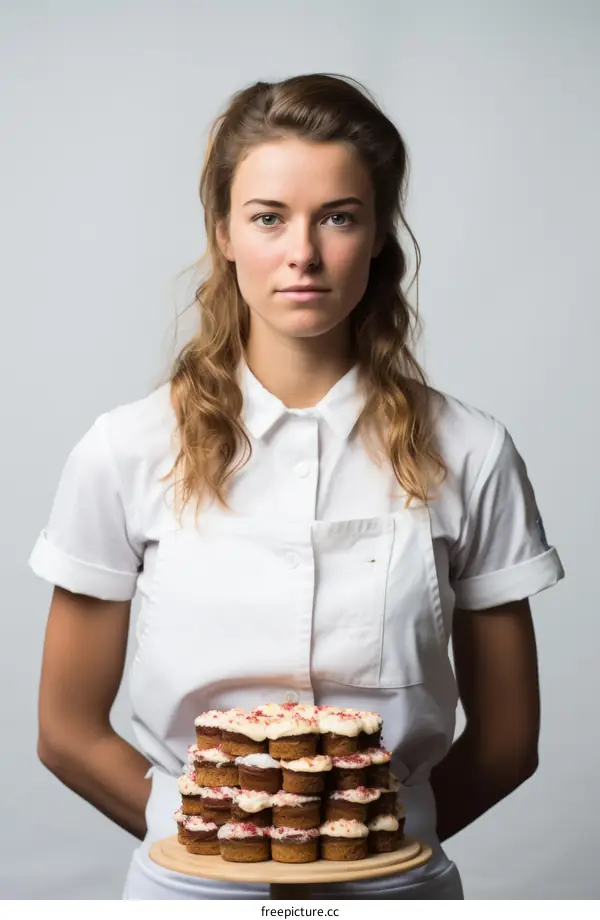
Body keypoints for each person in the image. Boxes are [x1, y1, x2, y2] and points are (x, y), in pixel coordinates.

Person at [29, 72, 565, 900]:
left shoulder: (472, 452)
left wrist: (375, 845)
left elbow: (507, 742)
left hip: (398, 894)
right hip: (190, 898)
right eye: (269, 217)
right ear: (224, 232)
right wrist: (208, 836)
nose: (303, 253)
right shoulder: (125, 450)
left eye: (338, 217)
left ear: (379, 234)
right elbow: (65, 730)